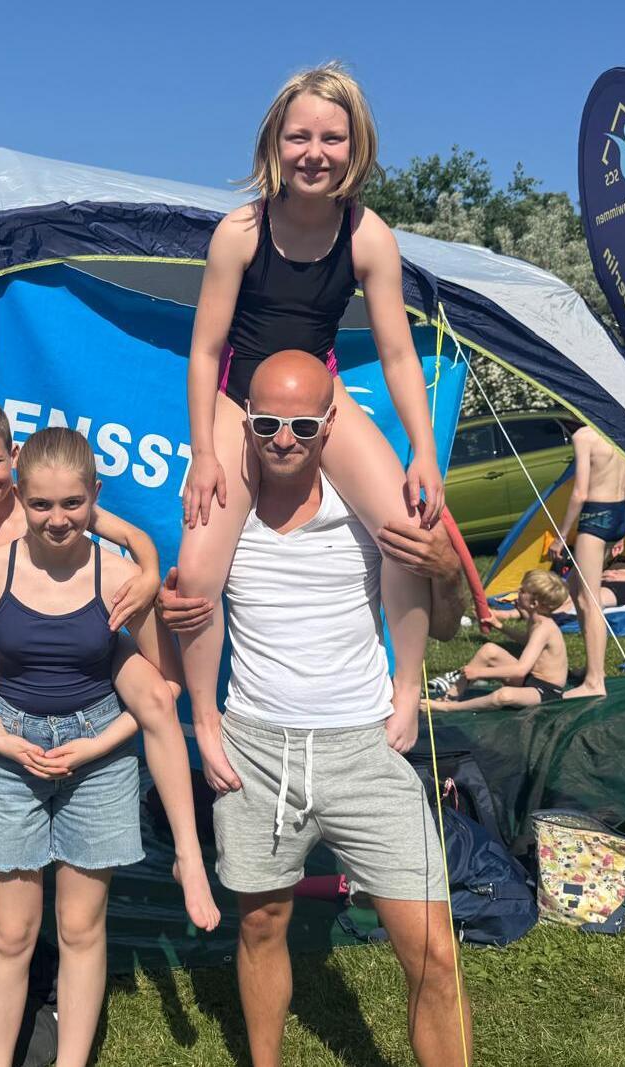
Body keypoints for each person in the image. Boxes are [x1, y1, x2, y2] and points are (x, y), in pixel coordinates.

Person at [191, 351, 470, 1067]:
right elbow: (187, 611)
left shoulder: (369, 509)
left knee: (435, 955)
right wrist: (203, 717)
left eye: (304, 424)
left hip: (363, 749)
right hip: (257, 747)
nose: (285, 438)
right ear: (246, 421)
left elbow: (442, 625)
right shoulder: (220, 510)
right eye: (269, 422)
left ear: (330, 425)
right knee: (261, 927)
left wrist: (449, 577)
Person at [175, 63, 442, 786]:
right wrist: (205, 452)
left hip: (319, 399)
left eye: (331, 138)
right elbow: (204, 352)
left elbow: (395, 353)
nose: (313, 152)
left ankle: (407, 689)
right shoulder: (239, 232)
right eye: (299, 136)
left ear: (356, 149)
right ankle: (205, 719)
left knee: (410, 535)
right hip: (240, 401)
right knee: (197, 571)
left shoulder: (368, 237)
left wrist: (423, 450)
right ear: (275, 143)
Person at [0, 428, 178, 1067]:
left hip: (96, 760)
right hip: (10, 766)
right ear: (21, 500)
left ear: (94, 500)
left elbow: (159, 686)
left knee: (81, 928)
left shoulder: (117, 576)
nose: (57, 520)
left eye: (71, 505)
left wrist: (144, 561)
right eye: (42, 506)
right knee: (11, 932)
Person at [0, 398, 219, 931]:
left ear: (15, 458)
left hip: (81, 634)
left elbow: (128, 536)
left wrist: (147, 571)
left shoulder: (53, 498)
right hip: (7, 646)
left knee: (154, 693)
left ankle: (189, 855)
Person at [551, 426, 625, 698]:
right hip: (619, 511)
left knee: (590, 599)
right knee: (576, 587)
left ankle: (595, 681)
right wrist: (623, 529)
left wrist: (561, 535)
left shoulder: (584, 437)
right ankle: (592, 665)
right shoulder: (620, 430)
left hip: (596, 515)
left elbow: (580, 493)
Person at [429, 570, 570, 711]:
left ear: (534, 603)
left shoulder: (544, 628)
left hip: (546, 691)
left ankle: (451, 707)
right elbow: (526, 640)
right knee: (489, 650)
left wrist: (479, 673)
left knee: (503, 696)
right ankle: (451, 696)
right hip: (530, 679)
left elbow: (520, 670)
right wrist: (498, 625)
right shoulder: (536, 620)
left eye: (522, 591)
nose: (517, 591)